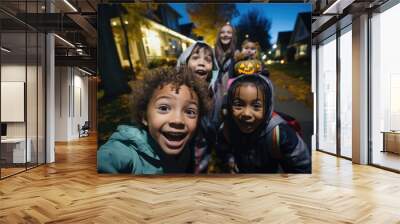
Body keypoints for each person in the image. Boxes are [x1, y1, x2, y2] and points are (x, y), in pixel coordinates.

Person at [97, 67, 210, 174]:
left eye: (190, 112)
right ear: (144, 117)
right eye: (164, 108)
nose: (178, 120)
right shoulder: (127, 153)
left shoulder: (187, 150)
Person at [216, 74, 311, 173]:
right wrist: (229, 160)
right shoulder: (226, 130)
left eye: (256, 106)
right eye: (238, 105)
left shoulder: (280, 134)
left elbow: (301, 167)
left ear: (267, 108)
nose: (246, 113)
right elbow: (222, 150)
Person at [176, 41, 219, 173]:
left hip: (202, 157)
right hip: (179, 158)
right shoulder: (176, 91)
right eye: (195, 58)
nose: (202, 62)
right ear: (185, 63)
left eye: (207, 59)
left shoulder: (211, 95)